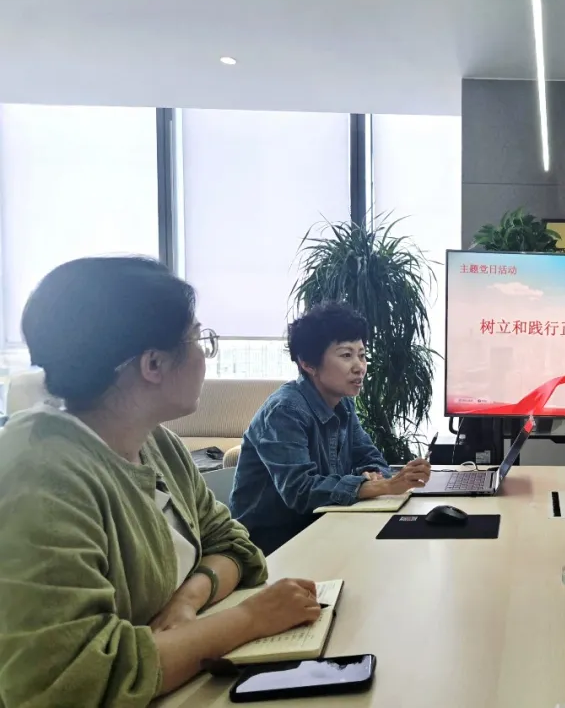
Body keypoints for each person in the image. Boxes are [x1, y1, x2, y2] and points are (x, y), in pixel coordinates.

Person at [0, 257, 323, 706]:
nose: (205, 355)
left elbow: (233, 546)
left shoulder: (156, 442)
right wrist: (249, 619)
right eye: (199, 339)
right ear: (153, 363)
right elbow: (70, 680)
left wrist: (186, 601)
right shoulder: (39, 473)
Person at [231, 301, 431, 554]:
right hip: (271, 546)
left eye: (362, 355)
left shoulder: (343, 404)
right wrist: (380, 486)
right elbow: (300, 490)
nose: (359, 366)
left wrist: (374, 475)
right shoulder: (285, 411)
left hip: (323, 527)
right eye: (346, 355)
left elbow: (370, 458)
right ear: (308, 363)